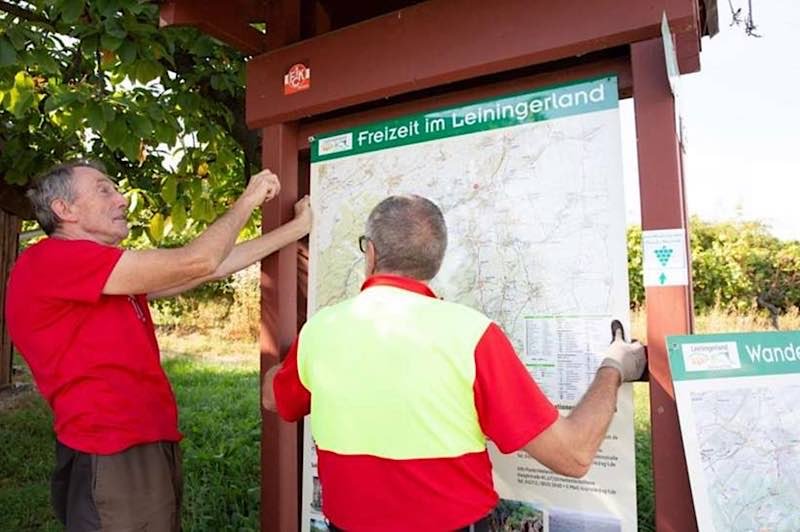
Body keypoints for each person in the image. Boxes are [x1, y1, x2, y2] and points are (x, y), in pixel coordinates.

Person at [262, 194, 646, 532]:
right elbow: (573, 454)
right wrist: (613, 366)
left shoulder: (320, 331)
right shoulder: (473, 335)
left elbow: (274, 399)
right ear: (436, 262)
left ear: (372, 253)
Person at [5, 160, 310, 532]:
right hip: (112, 446)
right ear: (63, 210)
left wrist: (296, 229)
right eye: (104, 189)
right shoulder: (51, 259)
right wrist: (248, 201)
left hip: (140, 440)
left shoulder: (100, 272)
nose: (122, 200)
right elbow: (199, 259)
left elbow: (208, 268)